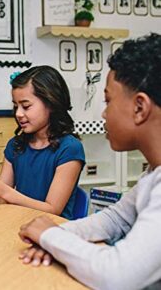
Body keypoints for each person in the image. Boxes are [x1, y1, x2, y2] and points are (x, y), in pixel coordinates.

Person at [18, 33, 161, 290]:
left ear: (140, 108)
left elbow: (118, 276)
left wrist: (49, 235)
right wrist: (55, 238)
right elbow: (115, 219)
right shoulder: (153, 174)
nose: (104, 113)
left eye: (108, 101)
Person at [0, 65, 85, 219]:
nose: (18, 114)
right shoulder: (15, 145)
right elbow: (1, 200)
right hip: (19, 224)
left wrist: (4, 191)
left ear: (51, 103)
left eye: (26, 106)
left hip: (53, 231)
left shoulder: (70, 149)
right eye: (16, 106)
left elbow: (52, 209)